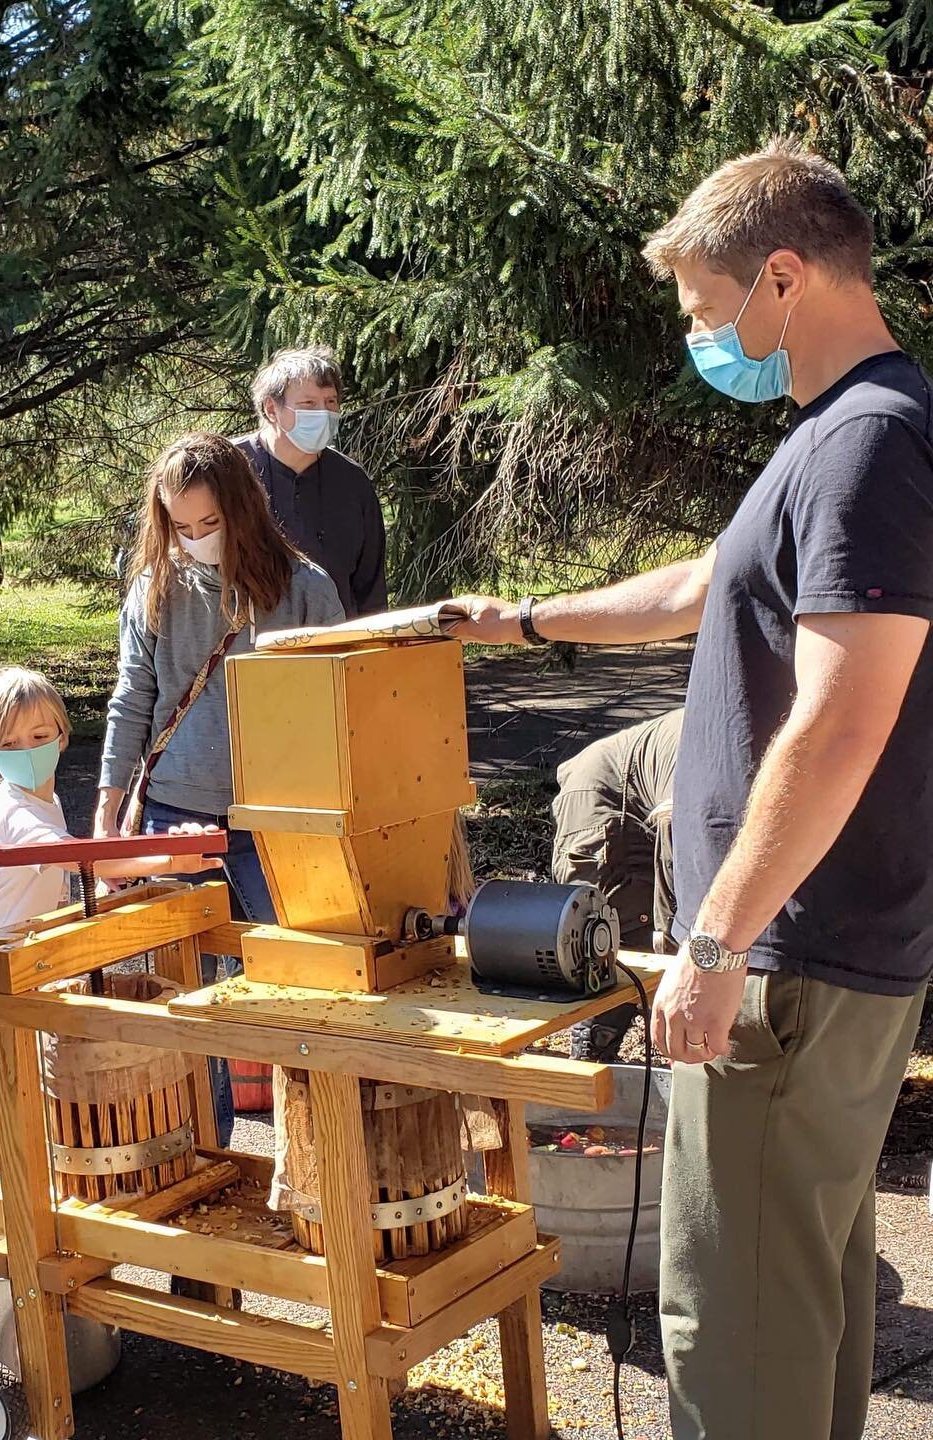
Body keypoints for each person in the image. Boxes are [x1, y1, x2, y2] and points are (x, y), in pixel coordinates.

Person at [445, 141, 933, 1440]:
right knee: (801, 1302)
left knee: (729, 1331)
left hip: (790, 964)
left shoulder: (866, 444)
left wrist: (713, 942)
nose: (705, 339)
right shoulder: (833, 437)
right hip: (817, 961)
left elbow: (839, 723)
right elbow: (695, 586)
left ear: (784, 277)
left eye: (710, 310)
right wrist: (523, 619)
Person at [94, 432, 345, 1144]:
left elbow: (339, 707)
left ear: (244, 509)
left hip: (279, 825)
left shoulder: (306, 589)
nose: (198, 539)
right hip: (175, 814)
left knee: (302, 989)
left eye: (211, 524)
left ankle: (318, 1160)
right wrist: (108, 812)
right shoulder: (154, 586)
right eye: (182, 527)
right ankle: (206, 1156)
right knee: (188, 1002)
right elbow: (131, 702)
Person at [0, 665, 219, 1237]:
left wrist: (151, 858)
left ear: (62, 735)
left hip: (4, 992)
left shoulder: (43, 805)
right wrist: (170, 858)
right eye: (9, 744)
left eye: (39, 737)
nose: (27, 751)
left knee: (9, 1134)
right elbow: (91, 861)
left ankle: (3, 1258)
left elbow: (86, 866)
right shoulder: (14, 810)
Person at [554, 709, 683, 1062]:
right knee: (606, 937)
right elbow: (684, 862)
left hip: (647, 801)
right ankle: (593, 1049)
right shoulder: (718, 749)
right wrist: (680, 951)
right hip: (601, 794)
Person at [236, 346, 388, 617]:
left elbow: (371, 591)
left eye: (330, 402)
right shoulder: (227, 470)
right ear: (272, 408)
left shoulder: (353, 483)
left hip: (337, 647)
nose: (324, 413)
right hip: (250, 651)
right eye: (309, 404)